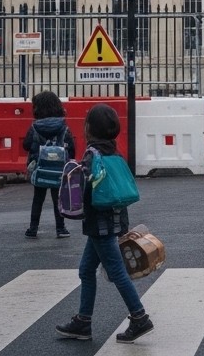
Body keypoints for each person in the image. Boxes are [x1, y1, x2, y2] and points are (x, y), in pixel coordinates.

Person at [55, 104, 154, 343]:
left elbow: (85, 190)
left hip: (99, 222)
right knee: (86, 270)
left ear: (90, 128)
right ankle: (83, 321)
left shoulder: (92, 154)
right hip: (115, 218)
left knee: (117, 271)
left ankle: (139, 317)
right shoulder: (115, 153)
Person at [22, 90, 75, 238]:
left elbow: (26, 145)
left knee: (38, 199)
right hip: (59, 169)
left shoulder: (34, 127)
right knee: (58, 198)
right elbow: (71, 148)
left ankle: (33, 229)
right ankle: (61, 229)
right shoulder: (64, 127)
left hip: (40, 168)